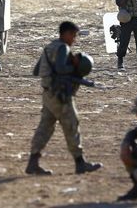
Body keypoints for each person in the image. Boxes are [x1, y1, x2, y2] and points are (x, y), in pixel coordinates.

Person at [25, 21, 102, 175]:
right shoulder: (63, 48)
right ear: (65, 34)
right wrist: (74, 68)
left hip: (48, 94)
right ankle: (80, 163)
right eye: (73, 35)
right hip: (59, 95)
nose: (74, 39)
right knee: (72, 125)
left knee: (45, 128)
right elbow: (61, 69)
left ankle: (33, 163)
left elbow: (36, 71)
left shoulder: (49, 47)